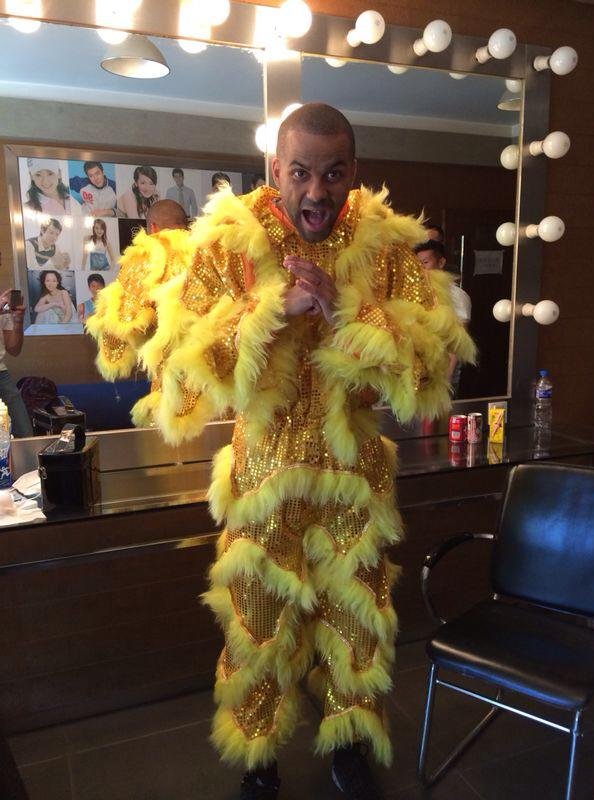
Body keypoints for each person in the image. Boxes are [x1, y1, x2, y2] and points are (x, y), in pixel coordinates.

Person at [93, 103, 475, 800]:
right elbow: (184, 361)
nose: (316, 192)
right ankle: (259, 758)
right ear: (275, 169)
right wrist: (269, 310)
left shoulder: (387, 244)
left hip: (353, 473)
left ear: (353, 171)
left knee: (357, 620)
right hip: (263, 471)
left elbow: (430, 363)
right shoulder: (231, 241)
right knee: (257, 621)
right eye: (300, 173)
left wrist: (348, 314)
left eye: (333, 174)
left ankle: (349, 746)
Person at [87, 199, 192, 391]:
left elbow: (122, 323)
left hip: (177, 372)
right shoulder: (210, 249)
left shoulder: (149, 255)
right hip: (223, 370)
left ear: (152, 227)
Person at [415, 240, 472, 394]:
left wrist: (447, 378)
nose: (421, 269)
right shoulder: (417, 293)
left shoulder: (457, 296)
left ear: (441, 262)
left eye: (425, 262)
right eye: (417, 264)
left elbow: (458, 341)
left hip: (443, 374)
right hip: (420, 374)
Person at [0, 289, 33, 437]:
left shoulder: (3, 305)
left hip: (1, 373)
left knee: (24, 431)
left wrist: (18, 320)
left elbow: (13, 349)